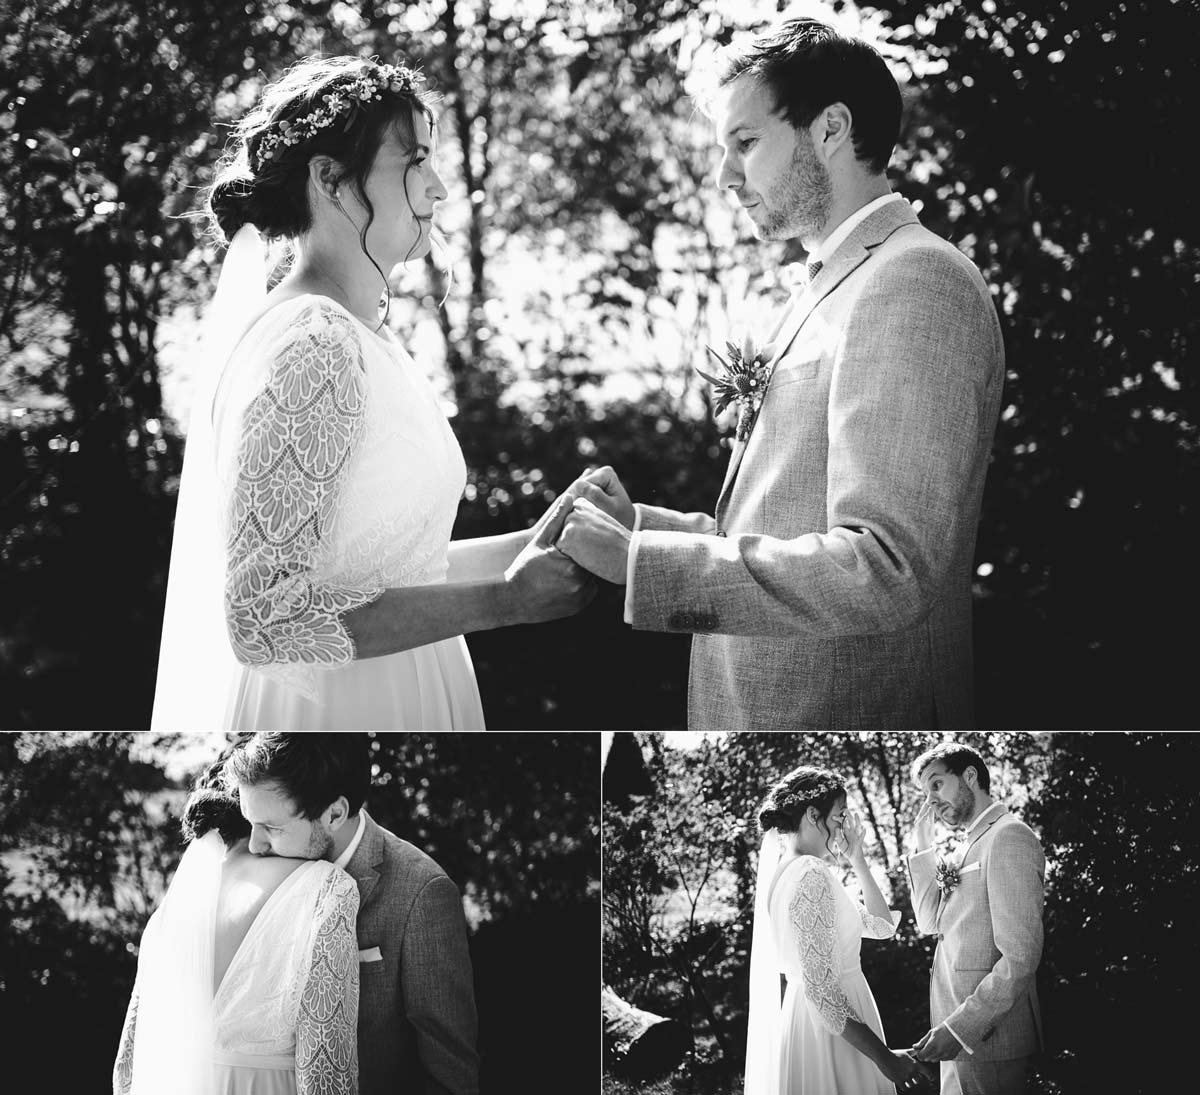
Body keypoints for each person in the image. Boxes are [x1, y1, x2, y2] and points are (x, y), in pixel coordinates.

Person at [556, 18, 1005, 730]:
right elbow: (776, 523)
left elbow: (884, 566)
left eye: (746, 142)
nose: (724, 177)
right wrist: (637, 525)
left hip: (848, 718)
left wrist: (643, 562)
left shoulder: (916, 279)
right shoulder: (827, 283)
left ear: (829, 129)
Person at [151, 55, 593, 731]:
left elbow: (391, 567)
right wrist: (504, 603)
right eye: (415, 159)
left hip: (401, 680)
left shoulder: (360, 334)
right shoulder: (311, 344)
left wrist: (532, 544)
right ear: (329, 178)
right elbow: (265, 620)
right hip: (337, 707)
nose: (440, 187)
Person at [226, 733, 479, 1095]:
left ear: (335, 814)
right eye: (252, 822)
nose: (254, 845)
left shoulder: (422, 892)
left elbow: (449, 1071)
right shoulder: (258, 866)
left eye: (272, 828)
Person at [113, 752, 360, 1095]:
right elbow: (325, 1070)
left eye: (272, 827)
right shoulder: (327, 888)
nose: (260, 844)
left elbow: (128, 1065)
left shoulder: (183, 896)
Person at [746, 765, 931, 1095]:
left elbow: (882, 926)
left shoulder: (793, 870)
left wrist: (857, 859)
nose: (845, 824)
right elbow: (823, 993)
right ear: (814, 815)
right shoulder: (810, 875)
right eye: (840, 815)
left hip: (821, 1021)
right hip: (832, 1033)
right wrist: (885, 1058)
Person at [905, 743, 1044, 1095]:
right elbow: (928, 921)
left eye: (936, 785)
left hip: (990, 1040)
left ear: (969, 776)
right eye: (924, 793)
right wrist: (923, 846)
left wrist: (960, 1029)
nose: (930, 801)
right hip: (955, 1037)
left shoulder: (1008, 835)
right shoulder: (967, 844)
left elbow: (1020, 956)